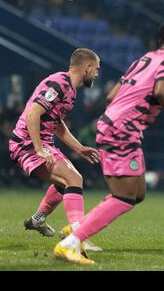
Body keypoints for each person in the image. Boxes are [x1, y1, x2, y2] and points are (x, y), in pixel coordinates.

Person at [54, 20, 164, 264]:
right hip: (122, 130)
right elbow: (163, 91)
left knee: (137, 193)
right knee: (124, 196)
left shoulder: (144, 60)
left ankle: (77, 231)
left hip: (114, 124)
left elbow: (112, 95)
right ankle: (72, 242)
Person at [8, 48, 101, 242]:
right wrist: (39, 149)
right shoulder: (58, 83)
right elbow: (33, 113)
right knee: (74, 179)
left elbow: (57, 124)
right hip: (27, 143)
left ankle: (37, 220)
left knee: (65, 182)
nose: (97, 74)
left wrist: (79, 148)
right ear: (88, 67)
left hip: (40, 142)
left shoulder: (70, 90)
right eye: (97, 69)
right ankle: (78, 237)